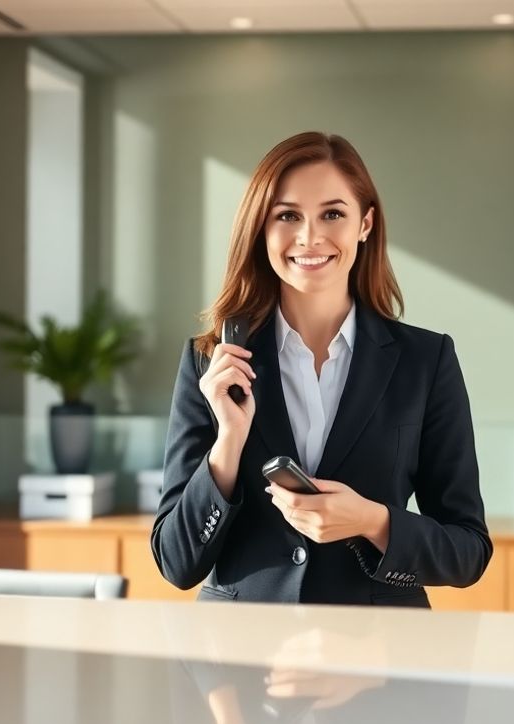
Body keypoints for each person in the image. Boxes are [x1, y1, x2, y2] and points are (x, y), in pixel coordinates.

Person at [152, 131, 491, 607]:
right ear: (261, 230)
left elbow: (468, 552)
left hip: (378, 659)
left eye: (332, 214)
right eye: (287, 216)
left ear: (365, 224)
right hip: (242, 659)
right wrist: (227, 445)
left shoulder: (425, 361)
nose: (310, 237)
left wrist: (373, 522)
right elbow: (176, 563)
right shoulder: (212, 362)